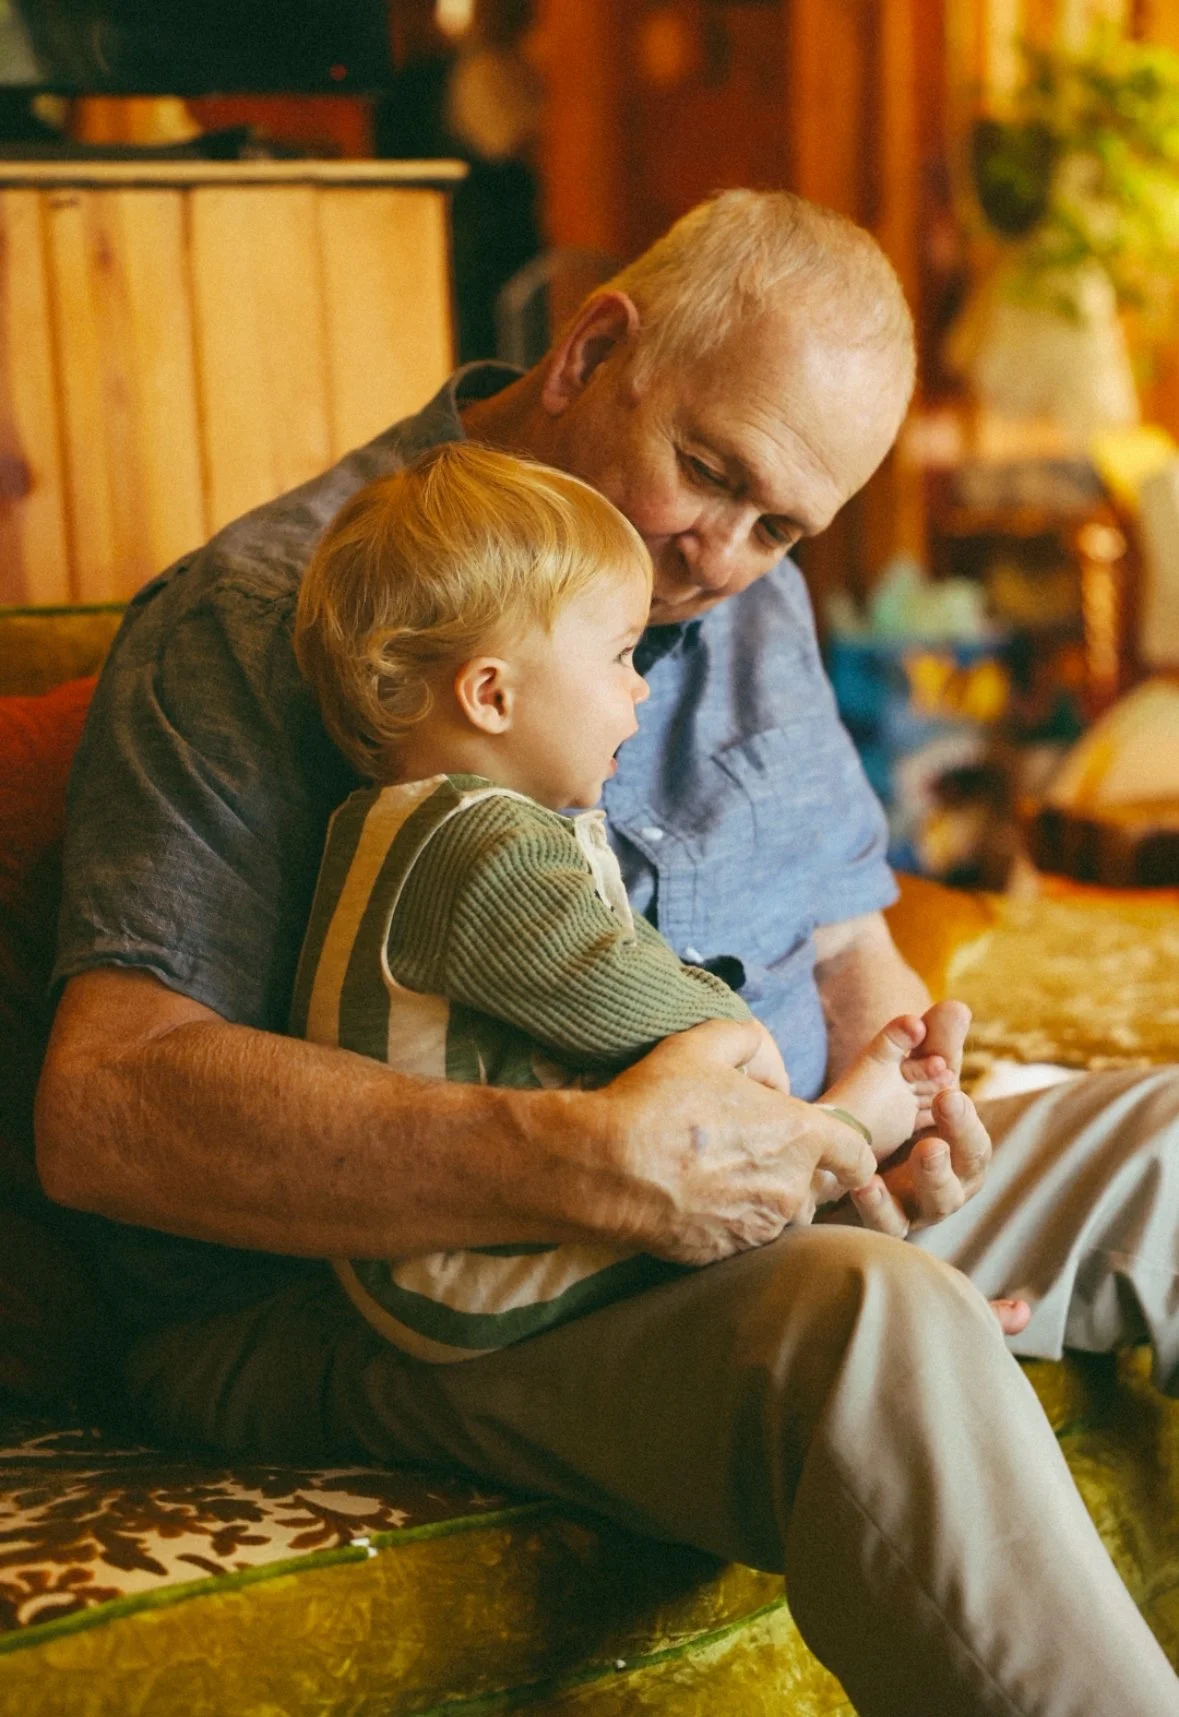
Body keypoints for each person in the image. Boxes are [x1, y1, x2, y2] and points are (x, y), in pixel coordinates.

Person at [35, 189, 1179, 1715]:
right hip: (433, 1281)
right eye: (707, 475)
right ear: (589, 349)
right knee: (866, 1321)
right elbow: (106, 1110)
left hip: (786, 1177)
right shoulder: (263, 617)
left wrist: (906, 1090)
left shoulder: (739, 586)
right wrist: (585, 1162)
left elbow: (850, 944)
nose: (723, 555)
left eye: (782, 525)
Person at [291, 440, 955, 1362]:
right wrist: (747, 1037)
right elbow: (620, 992)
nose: (639, 686)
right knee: (815, 1236)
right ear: (490, 695)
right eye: (618, 656)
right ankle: (846, 1142)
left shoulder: (431, 825)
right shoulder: (476, 846)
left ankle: (931, 1290)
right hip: (475, 1267)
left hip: (479, 1251)